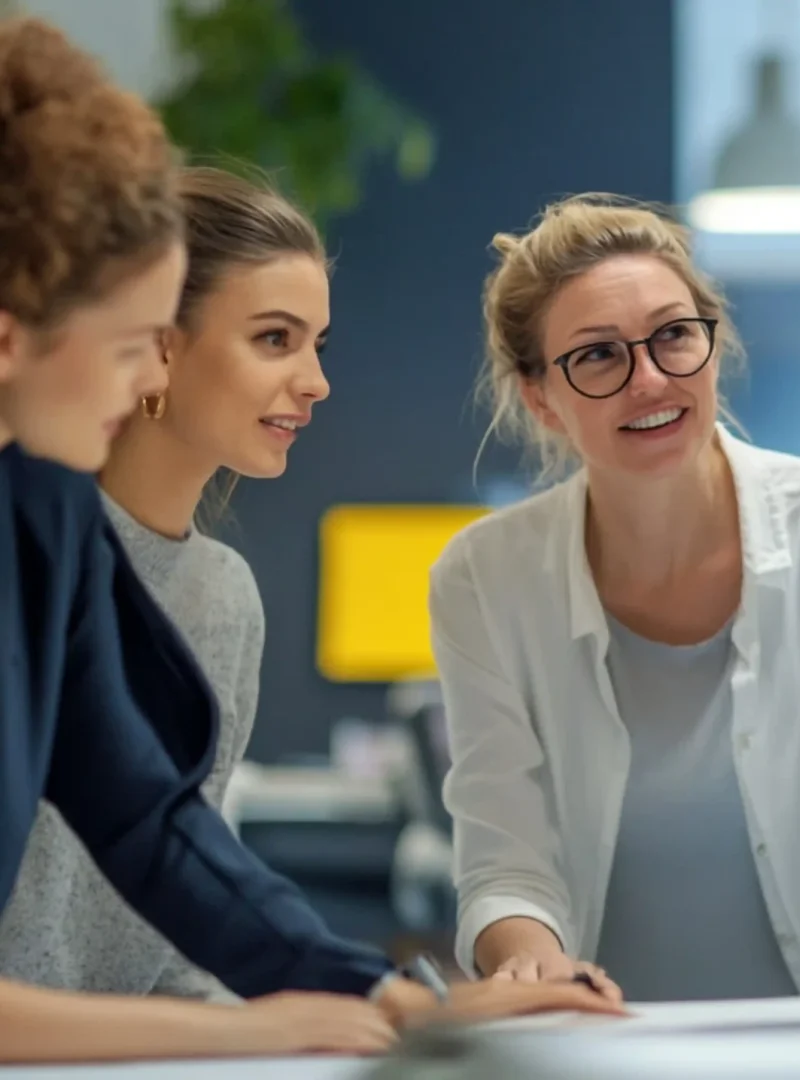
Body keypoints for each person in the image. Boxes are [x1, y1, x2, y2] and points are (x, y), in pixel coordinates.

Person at [0, 17, 617, 1063]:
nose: (144, 376)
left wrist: (393, 999)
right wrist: (248, 1029)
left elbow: (147, 821)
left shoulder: (44, 515)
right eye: (126, 350)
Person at [430, 194, 800, 1007]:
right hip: (600, 1058)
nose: (650, 378)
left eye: (675, 335)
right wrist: (536, 970)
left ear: (713, 345)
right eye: (599, 356)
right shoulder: (485, 578)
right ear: (542, 397)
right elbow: (505, 858)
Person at [0, 166, 322, 999]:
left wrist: (358, 1006)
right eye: (277, 338)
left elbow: (181, 925)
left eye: (320, 343)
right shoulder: (26, 551)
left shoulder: (223, 596)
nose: (317, 381)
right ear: (160, 341)